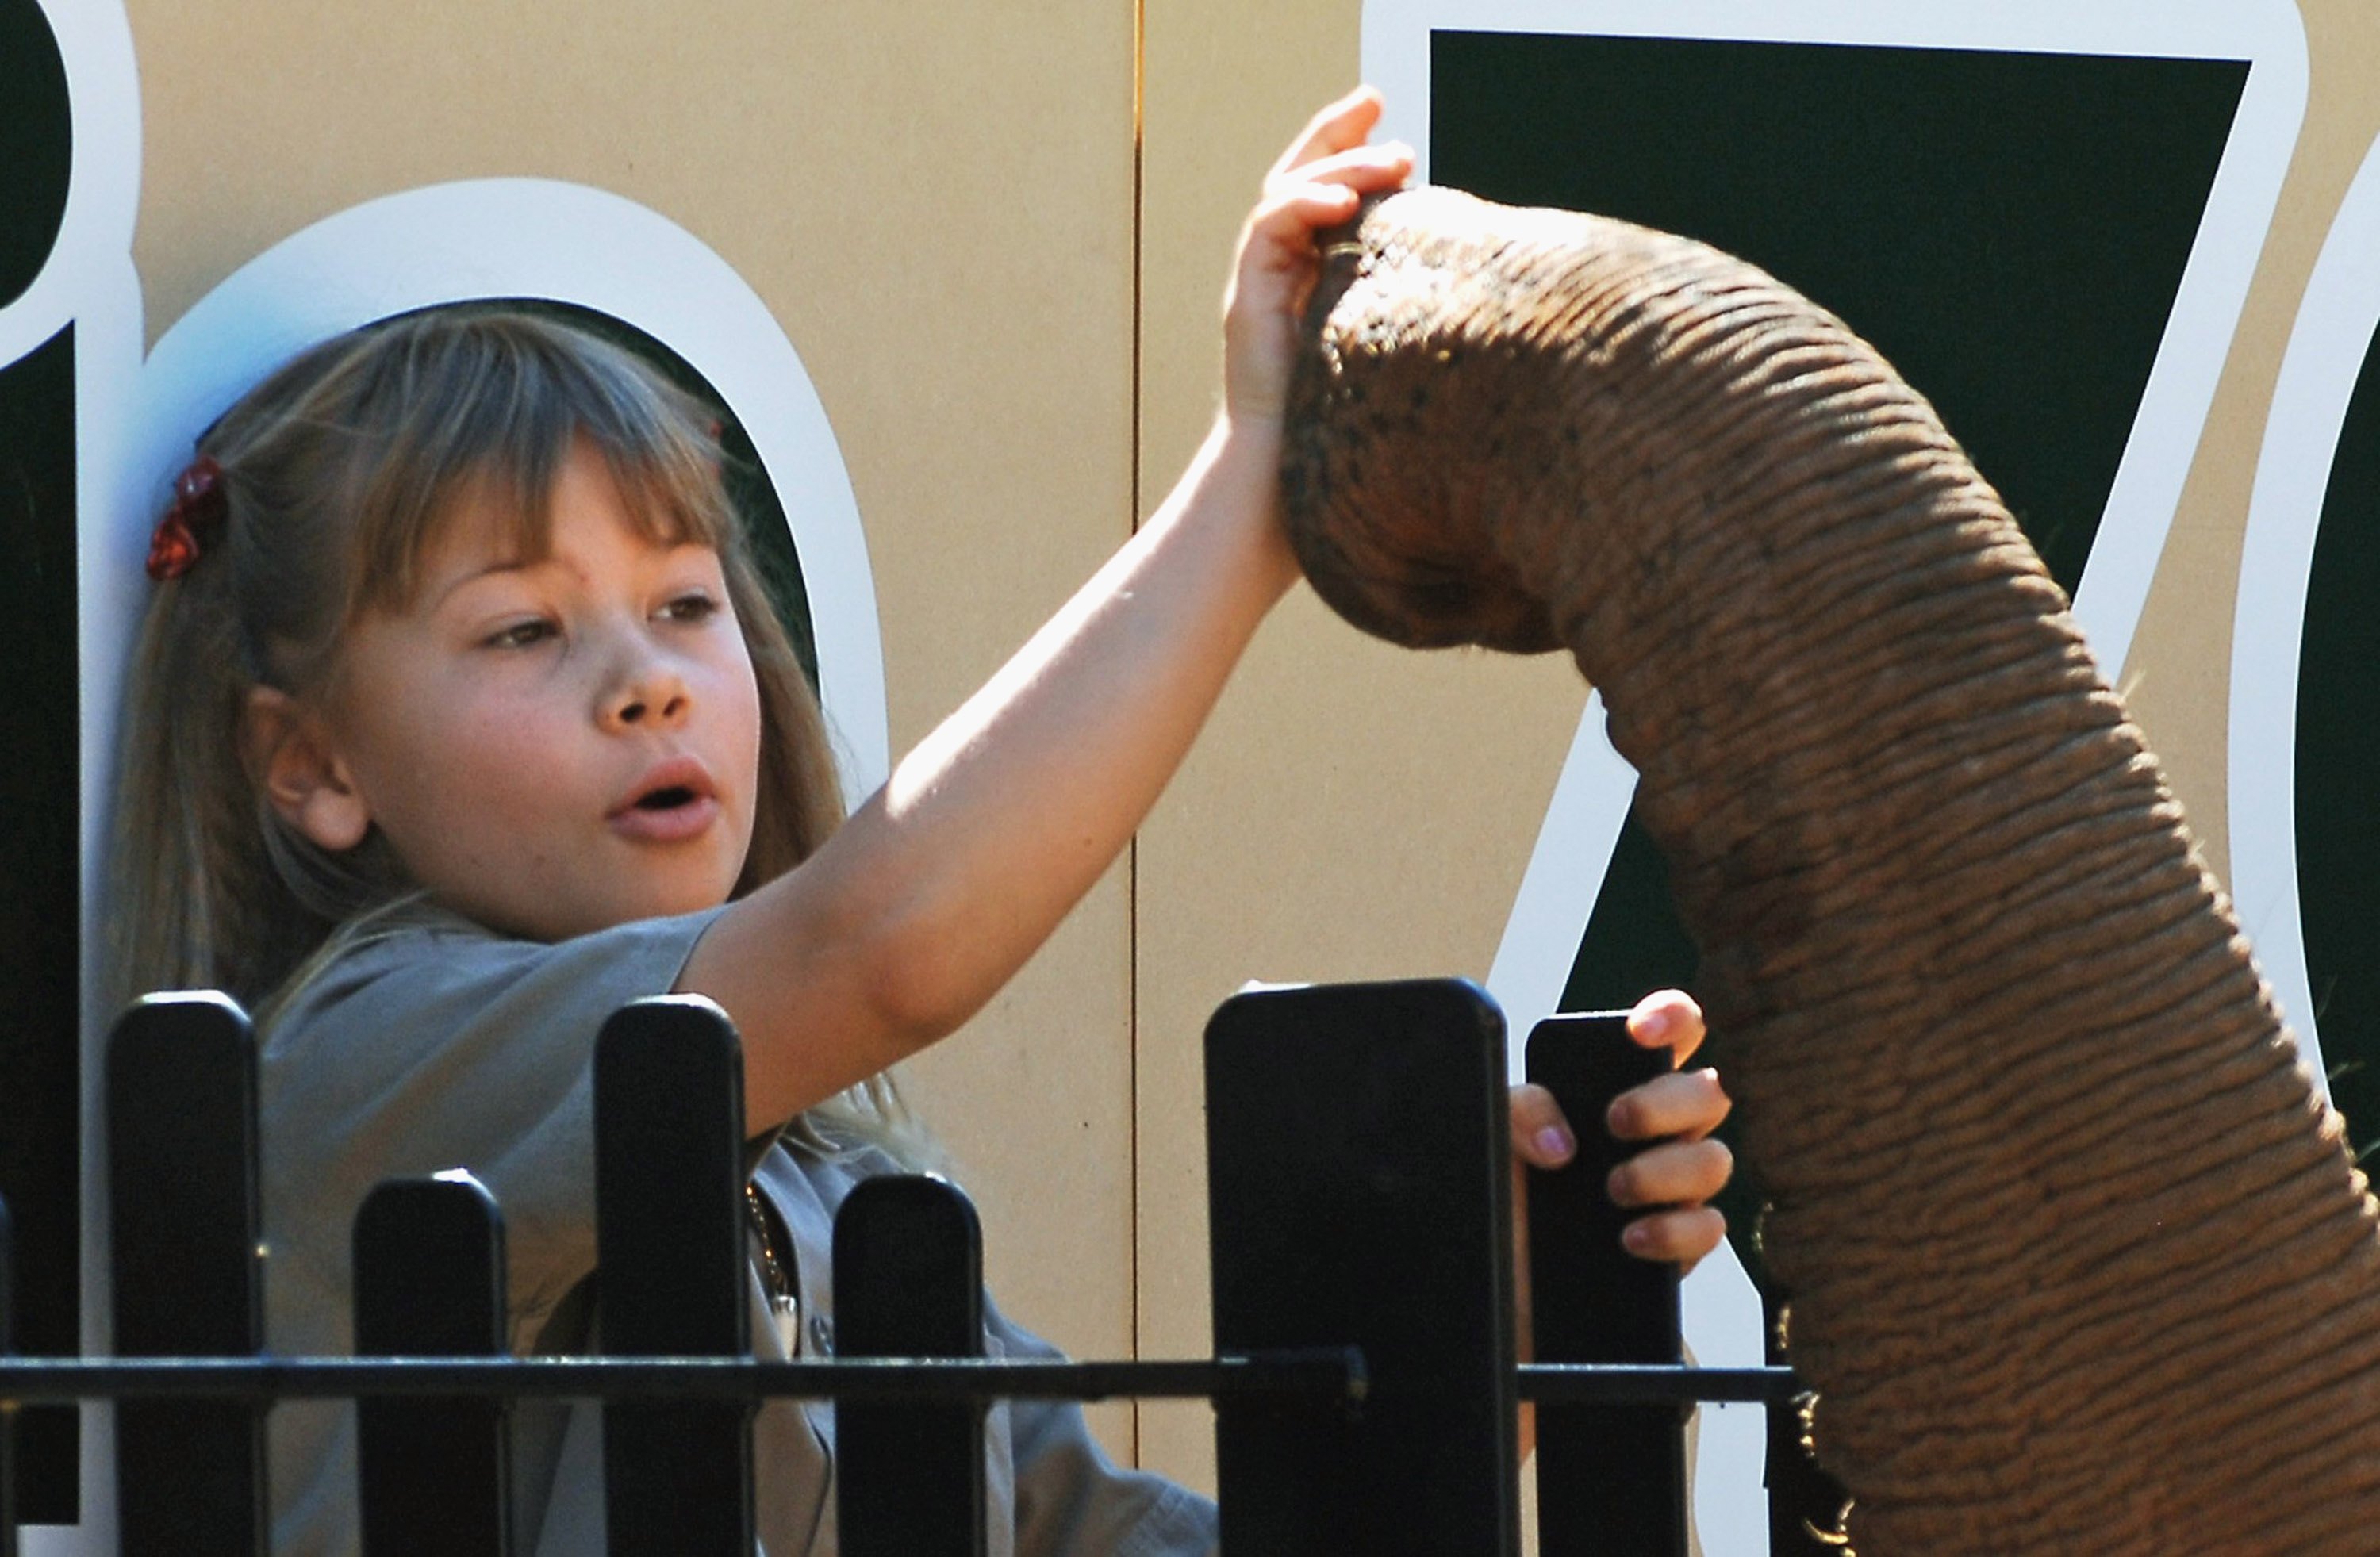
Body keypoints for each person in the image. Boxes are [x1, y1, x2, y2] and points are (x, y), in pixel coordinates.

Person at [107, 87, 1733, 1555]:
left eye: (685, 603)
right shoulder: (357, 1064)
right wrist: (1258, 489)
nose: (646, 685)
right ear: (311, 763)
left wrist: (1478, 1344)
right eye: (523, 629)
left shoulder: (843, 1202)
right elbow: (882, 945)